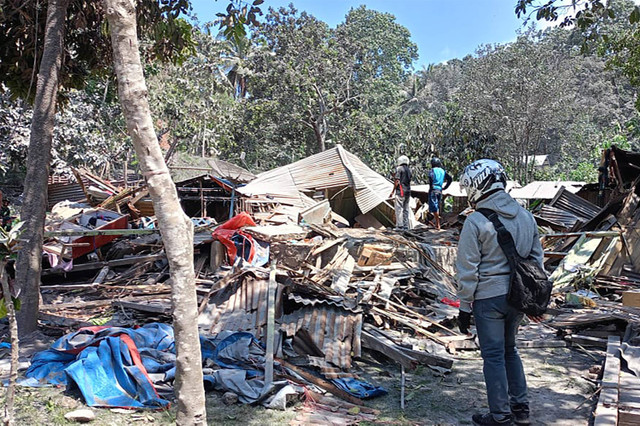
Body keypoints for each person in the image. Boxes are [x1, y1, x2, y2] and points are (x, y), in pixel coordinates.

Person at [456, 159, 543, 426]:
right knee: (510, 350)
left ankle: (500, 416)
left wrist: (464, 305)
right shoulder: (527, 217)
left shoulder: (476, 221)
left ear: (475, 187)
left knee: (493, 356)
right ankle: (521, 409)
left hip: (488, 299)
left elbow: (468, 269)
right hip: (518, 297)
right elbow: (537, 261)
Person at [427, 157, 452, 230]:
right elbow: (450, 179)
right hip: (440, 190)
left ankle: (437, 223)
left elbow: (431, 178)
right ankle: (437, 223)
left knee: (434, 207)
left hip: (433, 189)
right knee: (437, 206)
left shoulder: (432, 170)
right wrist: (445, 187)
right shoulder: (443, 171)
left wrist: (431, 187)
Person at [390, 155, 412, 230]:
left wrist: (392, 192)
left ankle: (399, 225)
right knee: (406, 209)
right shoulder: (409, 170)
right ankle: (406, 225)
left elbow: (397, 181)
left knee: (399, 208)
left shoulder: (399, 169)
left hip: (401, 192)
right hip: (408, 192)